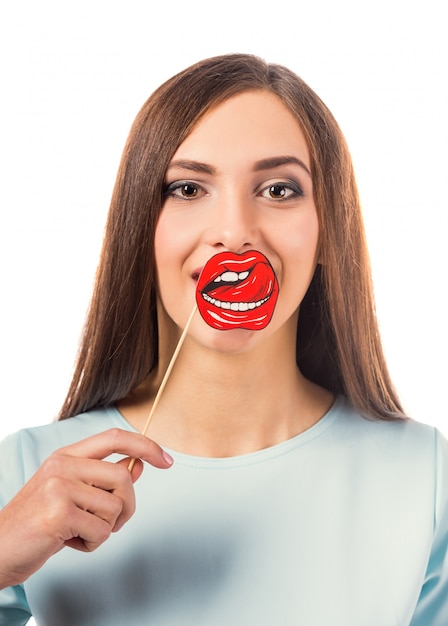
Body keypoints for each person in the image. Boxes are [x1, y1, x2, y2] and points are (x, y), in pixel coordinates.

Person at [0, 53, 446, 625]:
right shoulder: (32, 473)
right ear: (142, 222)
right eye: (188, 188)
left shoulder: (425, 475)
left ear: (327, 225)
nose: (234, 231)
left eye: (280, 190)